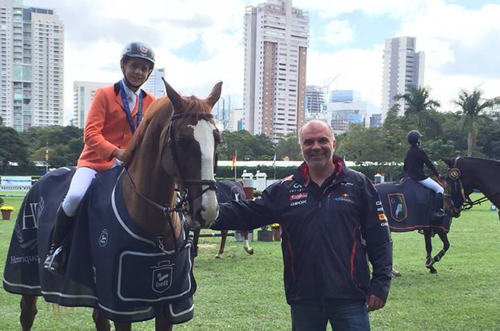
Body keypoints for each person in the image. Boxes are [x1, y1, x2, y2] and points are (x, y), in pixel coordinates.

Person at [211, 120, 393, 331]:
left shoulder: (358, 184)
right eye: (309, 142)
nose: (316, 147)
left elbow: (379, 237)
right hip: (304, 296)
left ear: (333, 143)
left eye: (322, 140)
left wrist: (380, 284)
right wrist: (203, 212)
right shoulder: (286, 189)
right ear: (301, 148)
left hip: (350, 296)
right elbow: (248, 213)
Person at [43, 42, 156, 275]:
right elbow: (91, 133)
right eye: (134, 65)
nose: (138, 72)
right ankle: (56, 250)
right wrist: (116, 152)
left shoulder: (151, 102)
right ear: (123, 66)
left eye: (144, 68)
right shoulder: (105, 95)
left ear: (149, 73)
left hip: (130, 168)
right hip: (96, 162)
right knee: (74, 196)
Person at [403, 130, 445, 217]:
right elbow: (429, 164)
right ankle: (435, 211)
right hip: (420, 178)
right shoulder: (419, 151)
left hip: (409, 177)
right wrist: (437, 175)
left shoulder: (407, 152)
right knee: (440, 190)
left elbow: (405, 168)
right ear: (418, 140)